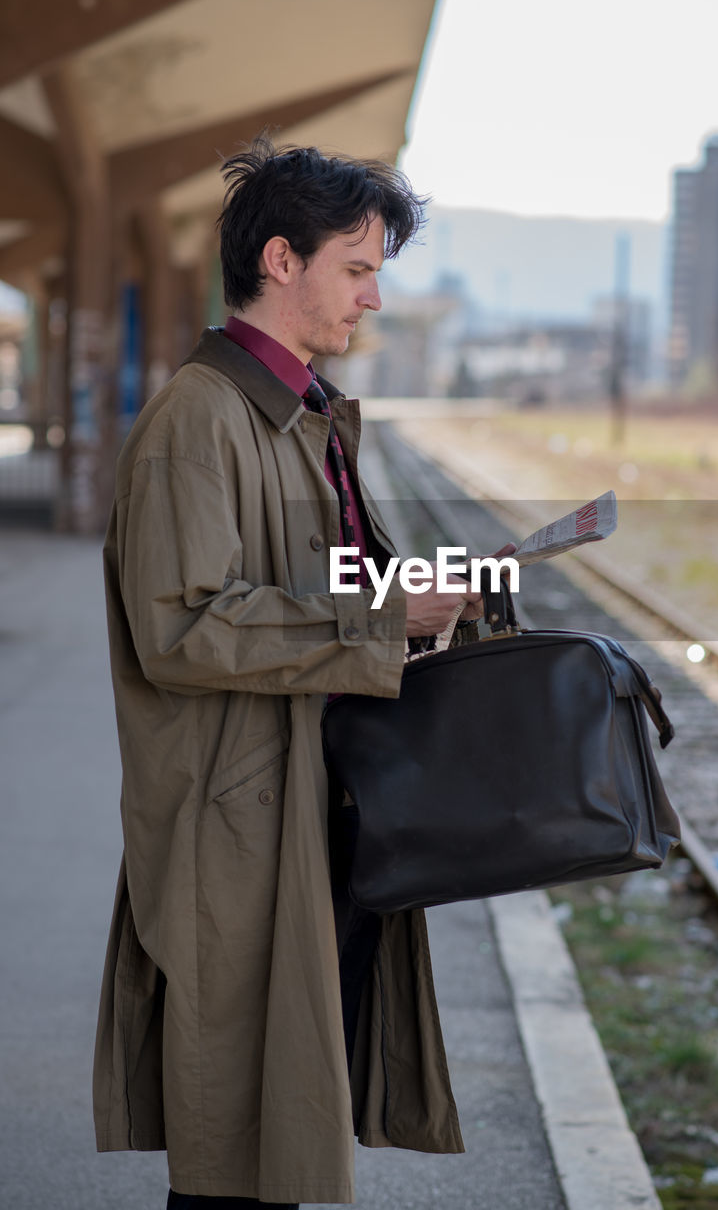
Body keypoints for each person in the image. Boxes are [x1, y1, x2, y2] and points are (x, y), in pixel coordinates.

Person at [92, 137, 494, 1208]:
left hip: (310, 811)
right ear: (281, 260)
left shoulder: (305, 415)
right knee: (230, 1152)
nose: (370, 298)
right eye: (356, 269)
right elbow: (183, 625)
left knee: (277, 1137)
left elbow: (319, 589)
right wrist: (375, 612)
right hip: (241, 831)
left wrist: (426, 597)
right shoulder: (199, 419)